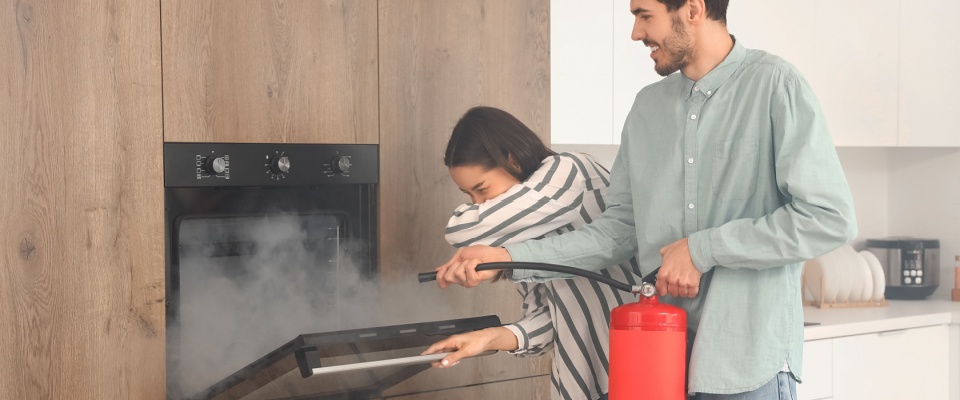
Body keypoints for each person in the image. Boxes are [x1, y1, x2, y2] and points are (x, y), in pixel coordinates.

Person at [434, 0, 857, 399]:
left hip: (748, 364)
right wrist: (507, 258)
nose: (636, 32)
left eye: (644, 15)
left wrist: (703, 248)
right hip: (656, 361)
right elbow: (617, 231)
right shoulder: (647, 109)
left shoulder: (775, 86)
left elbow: (828, 217)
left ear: (693, 9)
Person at [422, 106, 642, 400]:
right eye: (469, 196)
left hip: (641, 367)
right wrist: (487, 339)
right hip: (584, 383)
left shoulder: (571, 170)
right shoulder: (517, 240)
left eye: (482, 190)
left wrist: (491, 256)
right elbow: (547, 323)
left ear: (511, 159)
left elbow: (463, 231)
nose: (478, 205)